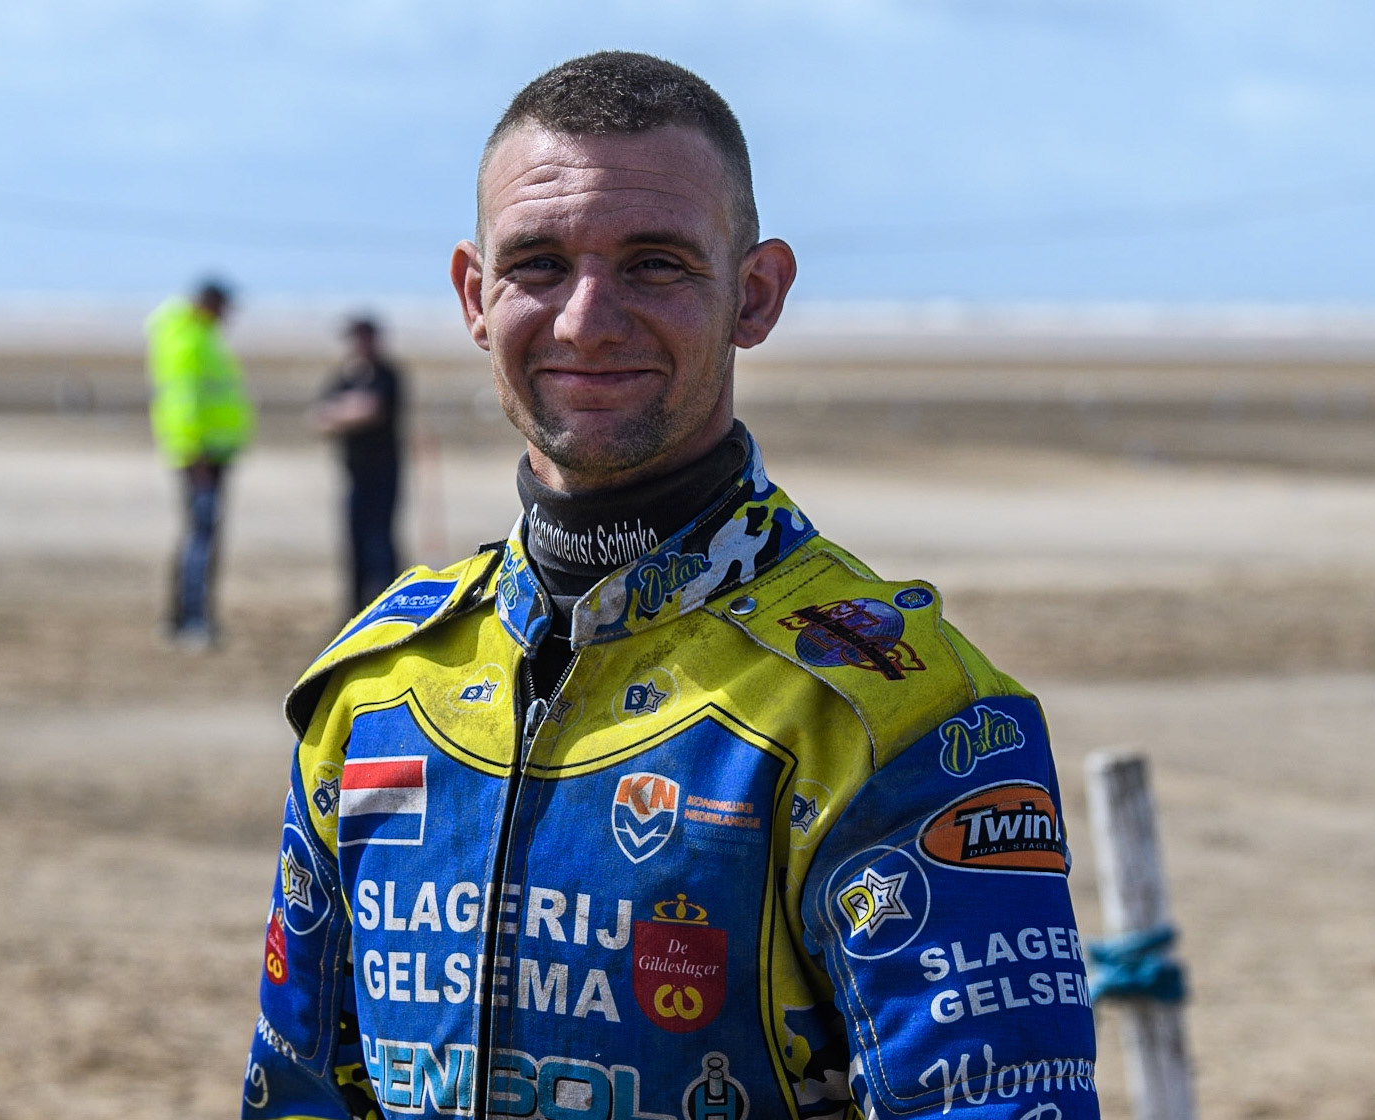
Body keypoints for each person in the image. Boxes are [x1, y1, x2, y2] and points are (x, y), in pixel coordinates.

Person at [242, 52, 1099, 1120]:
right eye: (538, 265)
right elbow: (296, 1097)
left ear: (755, 293)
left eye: (653, 265)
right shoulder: (374, 691)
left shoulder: (899, 714)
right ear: (473, 294)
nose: (585, 320)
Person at [145, 277, 253, 650]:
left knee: (198, 534)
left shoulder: (202, 336)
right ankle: (192, 619)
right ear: (209, 303)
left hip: (210, 453)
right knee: (201, 537)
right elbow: (184, 400)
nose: (226, 316)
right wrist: (195, 452)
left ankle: (180, 617)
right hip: (201, 456)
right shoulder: (188, 338)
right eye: (223, 307)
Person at [312, 316, 407, 614]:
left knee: (380, 541)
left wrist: (345, 411)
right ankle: (354, 610)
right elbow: (319, 417)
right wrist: (348, 410)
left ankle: (388, 606)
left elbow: (372, 411)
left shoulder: (387, 374)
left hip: (385, 472)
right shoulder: (344, 376)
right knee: (354, 542)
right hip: (354, 474)